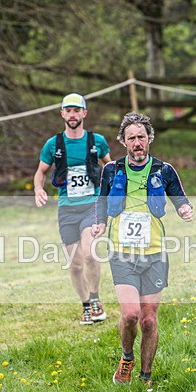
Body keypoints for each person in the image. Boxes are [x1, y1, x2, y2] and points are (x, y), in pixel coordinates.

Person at [92, 112, 193, 387]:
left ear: (149, 138)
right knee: (131, 315)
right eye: (131, 138)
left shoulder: (164, 170)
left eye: (141, 137)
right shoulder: (112, 170)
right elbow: (101, 202)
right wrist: (99, 223)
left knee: (149, 321)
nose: (137, 142)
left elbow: (179, 197)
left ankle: (145, 377)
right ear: (123, 142)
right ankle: (127, 358)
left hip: (155, 253)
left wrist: (184, 208)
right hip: (122, 253)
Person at [34, 93, 112, 324]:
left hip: (92, 205)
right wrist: (39, 189)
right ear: (62, 114)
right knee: (75, 264)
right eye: (68, 110)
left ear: (84, 114)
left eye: (77, 110)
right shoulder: (53, 144)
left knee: (89, 254)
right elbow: (40, 172)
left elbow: (111, 167)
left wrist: (113, 193)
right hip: (67, 209)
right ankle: (86, 305)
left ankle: (96, 300)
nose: (72, 114)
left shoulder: (96, 141)